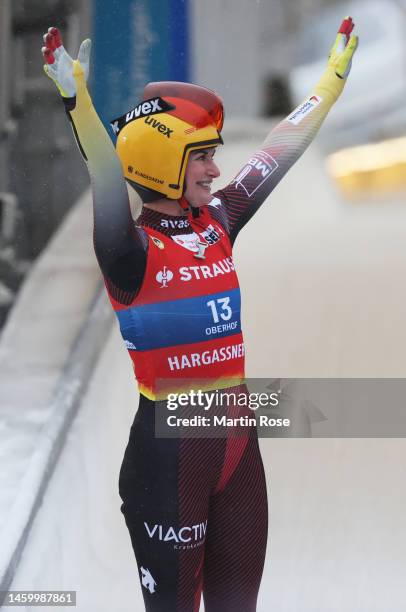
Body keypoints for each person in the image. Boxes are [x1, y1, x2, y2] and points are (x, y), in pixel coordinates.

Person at [41, 18, 358, 612]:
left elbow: (275, 152)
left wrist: (331, 84)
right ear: (162, 161)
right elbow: (105, 174)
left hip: (236, 438)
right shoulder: (127, 250)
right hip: (170, 455)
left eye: (214, 157)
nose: (217, 169)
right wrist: (77, 100)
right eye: (202, 158)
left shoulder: (218, 223)